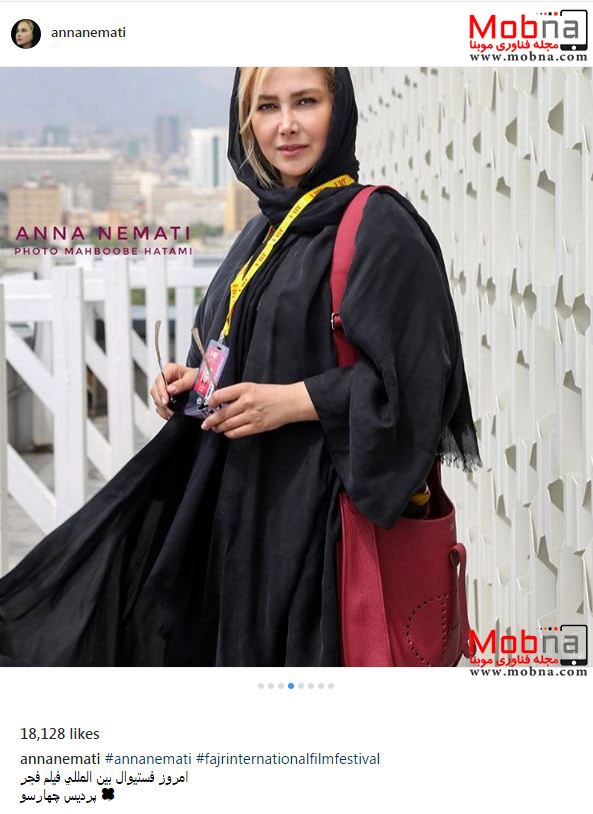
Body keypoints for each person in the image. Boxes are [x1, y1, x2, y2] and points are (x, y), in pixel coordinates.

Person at [0, 67, 481, 667]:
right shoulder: (262, 229)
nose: (286, 125)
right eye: (266, 107)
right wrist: (192, 384)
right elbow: (234, 347)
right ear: (245, 121)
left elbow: (420, 383)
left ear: (339, 109)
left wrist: (294, 401)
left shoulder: (378, 226)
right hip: (242, 525)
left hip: (321, 532)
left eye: (305, 102)